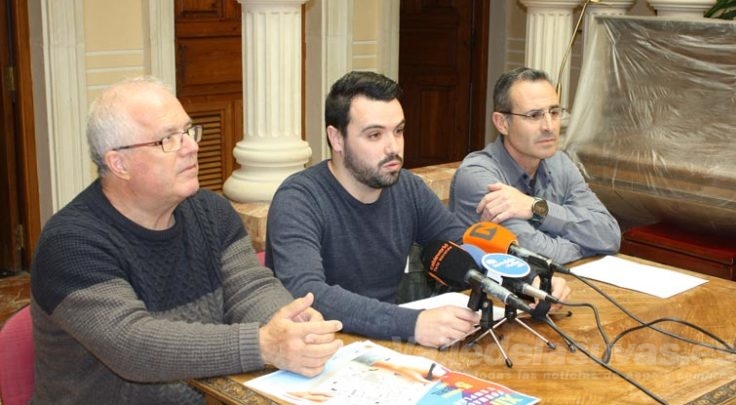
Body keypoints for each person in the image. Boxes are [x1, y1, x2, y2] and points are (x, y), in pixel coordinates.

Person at [29, 76, 343, 404]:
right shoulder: (71, 244)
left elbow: (250, 289)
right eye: (168, 140)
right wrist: (263, 344)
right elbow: (132, 344)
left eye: (188, 132)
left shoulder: (211, 211)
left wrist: (290, 322)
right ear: (119, 163)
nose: (192, 147)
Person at [265, 71, 570, 349]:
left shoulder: (407, 187)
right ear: (336, 138)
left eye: (398, 131)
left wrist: (531, 282)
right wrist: (412, 324)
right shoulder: (299, 199)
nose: (393, 147)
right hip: (316, 350)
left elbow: (464, 244)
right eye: (375, 135)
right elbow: (307, 292)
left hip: (385, 345)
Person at [449, 67, 621, 264]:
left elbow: (609, 235)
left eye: (554, 112)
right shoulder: (478, 176)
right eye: (534, 115)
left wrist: (536, 208)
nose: (549, 126)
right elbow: (533, 255)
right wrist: (586, 245)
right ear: (502, 123)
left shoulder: (560, 163)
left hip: (560, 280)